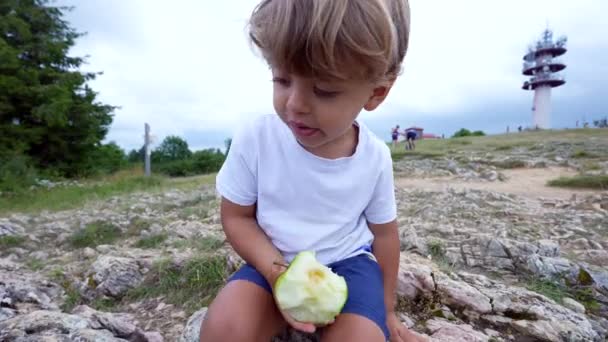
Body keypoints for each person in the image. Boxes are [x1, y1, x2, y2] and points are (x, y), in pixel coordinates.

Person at [201, 0, 424, 341]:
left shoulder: (375, 157)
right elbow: (237, 216)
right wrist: (277, 274)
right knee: (224, 329)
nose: (295, 105)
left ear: (376, 93)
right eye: (282, 79)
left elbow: (384, 235)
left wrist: (388, 309)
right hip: (274, 261)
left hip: (350, 266)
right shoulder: (256, 136)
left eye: (323, 90)